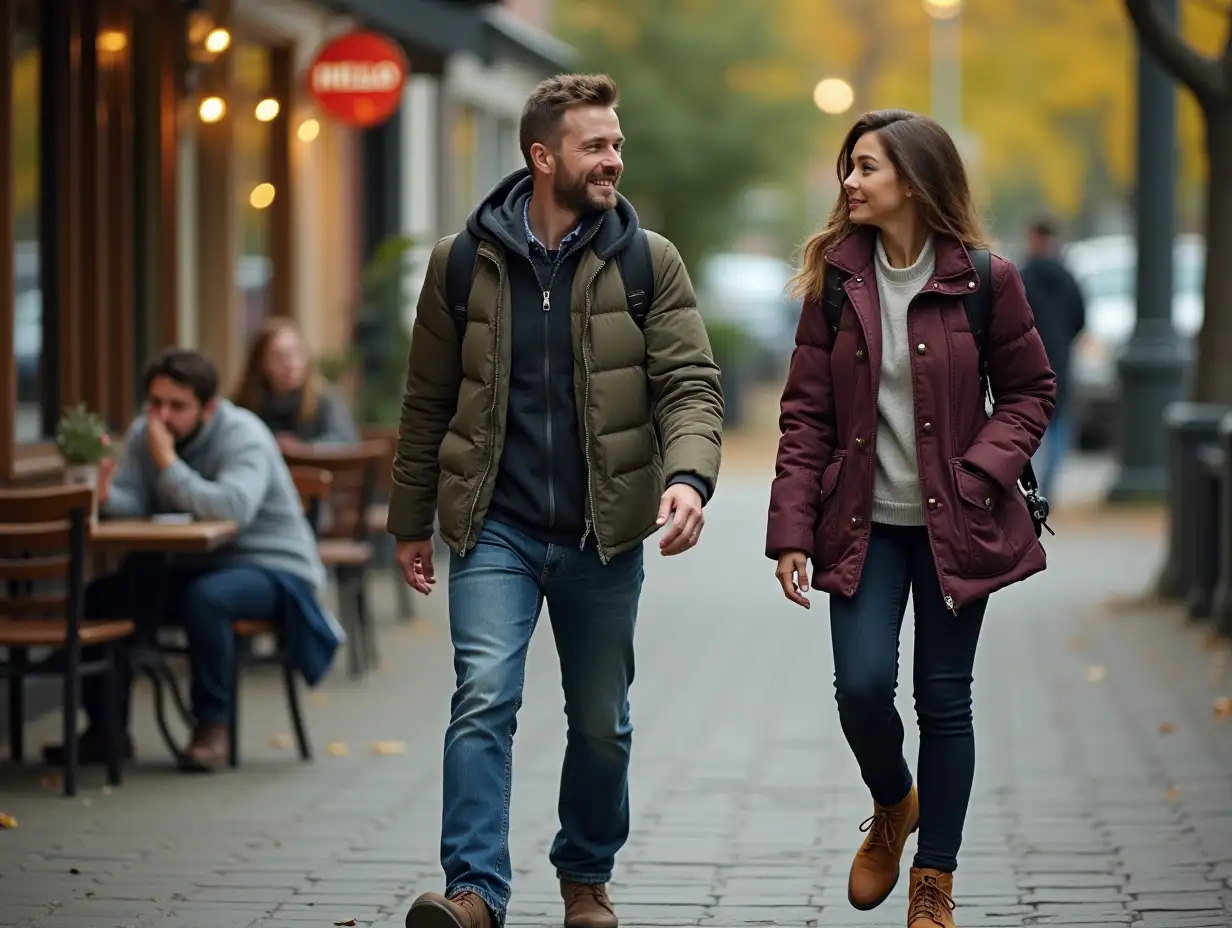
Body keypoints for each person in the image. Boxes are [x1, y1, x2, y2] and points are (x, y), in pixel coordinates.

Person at [388, 73, 724, 928]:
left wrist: (688, 478)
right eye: (596, 145)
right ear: (544, 157)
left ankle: (585, 878)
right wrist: (408, 522)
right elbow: (427, 400)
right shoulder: (461, 263)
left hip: (601, 533)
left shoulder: (648, 261)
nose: (615, 158)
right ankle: (474, 894)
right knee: (483, 696)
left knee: (603, 722)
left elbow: (689, 384)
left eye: (617, 143)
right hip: (492, 526)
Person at [765, 110, 1056, 928]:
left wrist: (979, 471)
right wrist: (790, 529)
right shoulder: (835, 282)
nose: (849, 183)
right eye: (847, 168)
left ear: (914, 181)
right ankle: (895, 801)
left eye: (865, 168)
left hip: (956, 524)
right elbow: (805, 414)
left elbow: (1032, 392)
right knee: (860, 688)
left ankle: (934, 881)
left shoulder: (986, 280)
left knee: (945, 700)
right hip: (863, 524)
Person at [41, 348, 343, 772]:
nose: (162, 416)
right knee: (103, 597)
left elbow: (232, 507)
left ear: (208, 407)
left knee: (208, 599)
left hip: (273, 568)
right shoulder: (147, 430)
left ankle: (211, 729)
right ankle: (105, 733)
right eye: (156, 403)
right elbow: (136, 500)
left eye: (177, 406)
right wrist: (107, 495)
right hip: (195, 563)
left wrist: (166, 460)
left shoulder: (243, 435)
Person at [1019, 215, 1085, 500]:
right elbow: (1080, 318)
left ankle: (1028, 488)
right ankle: (1049, 487)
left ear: (1034, 238)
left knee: (1027, 422)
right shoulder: (1067, 276)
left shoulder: (1022, 276)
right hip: (1061, 359)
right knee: (1058, 424)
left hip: (1028, 360)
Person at [233, 316, 358, 453]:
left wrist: (304, 449)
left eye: (295, 353)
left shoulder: (323, 399)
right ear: (261, 363)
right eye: (279, 356)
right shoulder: (246, 406)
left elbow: (346, 441)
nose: (290, 363)